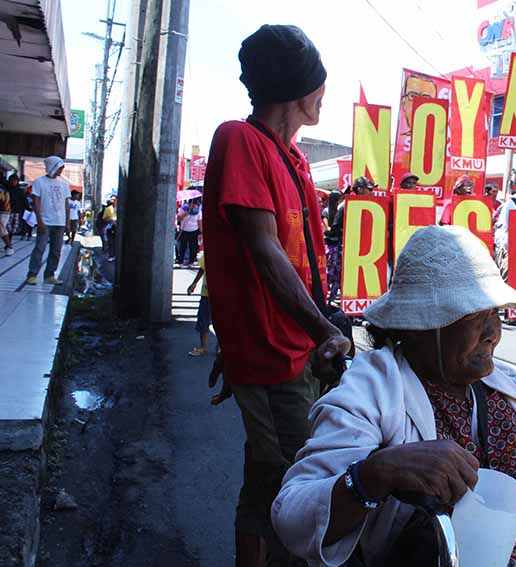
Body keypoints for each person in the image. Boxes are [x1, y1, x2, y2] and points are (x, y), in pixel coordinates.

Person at [274, 225, 516, 567]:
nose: (493, 332)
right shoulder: (373, 387)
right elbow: (292, 514)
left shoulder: (512, 384)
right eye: (476, 319)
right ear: (422, 326)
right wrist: (376, 473)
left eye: (496, 315)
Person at [202, 24, 350, 566]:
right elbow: (262, 253)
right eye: (318, 83)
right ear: (297, 90)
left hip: (291, 352)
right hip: (273, 357)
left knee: (267, 479)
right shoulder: (239, 140)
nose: (322, 94)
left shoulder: (294, 160)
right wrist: (325, 330)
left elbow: (284, 264)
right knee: (297, 489)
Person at [26, 156, 70, 285]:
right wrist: (39, 221)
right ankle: (32, 274)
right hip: (45, 221)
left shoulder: (64, 184)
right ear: (52, 166)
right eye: (59, 168)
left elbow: (66, 205)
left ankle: (49, 275)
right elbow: (36, 202)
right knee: (39, 248)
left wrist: (67, 223)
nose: (61, 171)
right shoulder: (39, 182)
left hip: (60, 222)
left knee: (56, 250)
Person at [187, 251, 212, 356]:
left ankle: (205, 347)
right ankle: (204, 347)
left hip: (218, 294)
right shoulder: (209, 252)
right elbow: (202, 268)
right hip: (207, 293)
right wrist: (194, 283)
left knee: (205, 319)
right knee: (204, 320)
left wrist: (194, 283)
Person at [176, 197, 203, 267]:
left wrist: (201, 232)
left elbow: (199, 221)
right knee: (183, 246)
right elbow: (179, 219)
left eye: (196, 204)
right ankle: (181, 262)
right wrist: (186, 213)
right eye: (193, 204)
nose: (194, 206)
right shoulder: (183, 209)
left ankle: (191, 262)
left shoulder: (198, 211)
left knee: (193, 247)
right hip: (184, 230)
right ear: (189, 204)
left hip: (194, 230)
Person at [102, 195, 117, 261]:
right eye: (111, 200)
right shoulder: (108, 209)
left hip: (117, 228)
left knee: (116, 242)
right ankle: (111, 255)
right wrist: (110, 220)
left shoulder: (120, 208)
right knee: (111, 242)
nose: (113, 201)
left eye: (114, 199)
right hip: (110, 227)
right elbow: (104, 218)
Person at [0, 176, 12, 256]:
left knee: (2, 229)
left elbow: (4, 201)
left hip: (4, 212)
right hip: (5, 211)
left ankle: (9, 247)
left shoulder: (2, 190)